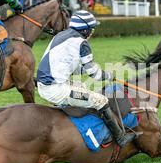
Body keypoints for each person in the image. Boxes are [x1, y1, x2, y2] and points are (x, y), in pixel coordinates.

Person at [36, 10, 137, 148]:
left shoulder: (62, 36)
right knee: (101, 100)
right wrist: (110, 76)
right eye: (92, 29)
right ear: (85, 30)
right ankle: (120, 137)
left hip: (48, 84)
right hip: (56, 88)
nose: (92, 32)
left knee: (82, 87)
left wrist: (93, 71)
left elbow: (72, 68)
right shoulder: (81, 43)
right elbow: (95, 75)